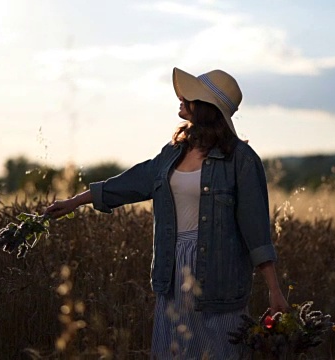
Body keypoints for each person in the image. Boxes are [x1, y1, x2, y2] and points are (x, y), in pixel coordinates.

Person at [45, 67, 289, 359]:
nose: (181, 98)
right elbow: (133, 182)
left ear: (205, 107)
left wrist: (275, 290)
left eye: (190, 96)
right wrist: (76, 200)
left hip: (220, 278)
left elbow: (257, 230)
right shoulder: (173, 152)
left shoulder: (242, 160)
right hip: (173, 274)